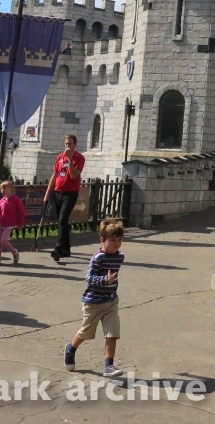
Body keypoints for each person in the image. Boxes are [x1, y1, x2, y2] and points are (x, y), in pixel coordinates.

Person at [63, 218, 125, 377]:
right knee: (85, 333)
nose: (117, 244)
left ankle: (108, 366)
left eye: (119, 240)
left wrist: (112, 288)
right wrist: (106, 280)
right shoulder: (98, 258)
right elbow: (89, 279)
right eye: (112, 240)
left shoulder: (119, 256)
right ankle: (71, 348)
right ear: (102, 240)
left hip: (110, 301)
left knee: (112, 333)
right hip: (93, 303)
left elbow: (114, 278)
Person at [44, 134, 85, 262]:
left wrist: (70, 159)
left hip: (70, 193)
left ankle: (58, 248)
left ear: (75, 145)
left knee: (62, 219)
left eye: (70, 144)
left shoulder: (79, 158)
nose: (67, 146)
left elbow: (73, 175)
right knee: (62, 221)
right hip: (57, 192)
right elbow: (54, 175)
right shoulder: (59, 157)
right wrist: (47, 194)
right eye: (66, 144)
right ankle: (66, 249)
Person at [0, 180, 26, 265]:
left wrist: (20, 224)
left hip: (9, 224)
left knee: (3, 241)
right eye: (1, 189)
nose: (2, 190)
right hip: (1, 224)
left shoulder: (15, 200)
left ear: (11, 189)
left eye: (5, 188)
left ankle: (14, 252)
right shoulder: (2, 200)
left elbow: (22, 212)